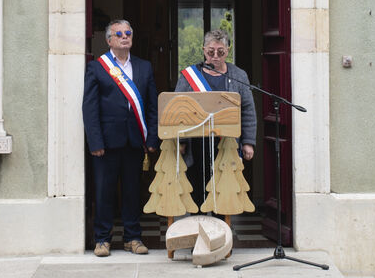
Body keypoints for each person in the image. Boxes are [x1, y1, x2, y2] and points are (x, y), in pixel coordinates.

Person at [82, 18, 158, 257]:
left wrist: (152, 139)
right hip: (106, 142)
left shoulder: (144, 67)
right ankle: (102, 239)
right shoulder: (98, 67)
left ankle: (132, 238)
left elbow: (153, 107)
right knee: (104, 192)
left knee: (132, 192)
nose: (125, 37)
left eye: (128, 33)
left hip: (135, 141)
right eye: (119, 34)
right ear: (109, 40)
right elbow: (90, 108)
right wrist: (95, 142)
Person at [174, 28, 257, 210]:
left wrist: (248, 142)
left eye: (221, 52)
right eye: (211, 52)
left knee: (224, 188)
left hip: (227, 141)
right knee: (197, 187)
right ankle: (198, 222)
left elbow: (248, 110)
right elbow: (178, 109)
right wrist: (182, 141)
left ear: (228, 51)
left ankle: (221, 225)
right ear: (204, 50)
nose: (215, 57)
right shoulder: (189, 76)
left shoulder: (239, 76)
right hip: (196, 141)